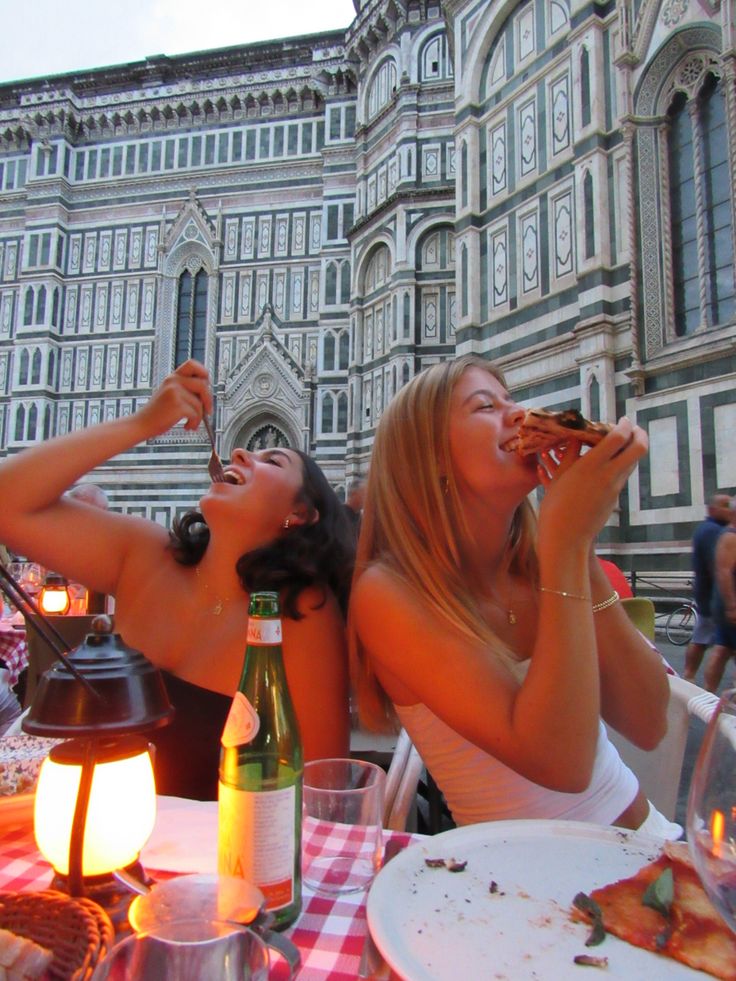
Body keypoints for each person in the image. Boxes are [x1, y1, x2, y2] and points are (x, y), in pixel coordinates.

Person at [349, 355, 676, 836]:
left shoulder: (536, 565)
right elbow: (561, 763)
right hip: (522, 887)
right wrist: (564, 544)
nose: (520, 415)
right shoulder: (388, 593)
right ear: (430, 456)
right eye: (485, 406)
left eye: (512, 400)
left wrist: (577, 550)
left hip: (651, 849)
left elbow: (649, 722)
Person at [0, 360, 354, 798]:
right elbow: (6, 503)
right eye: (245, 450)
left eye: (272, 460)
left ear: (299, 514)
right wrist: (144, 423)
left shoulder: (298, 616)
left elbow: (321, 792)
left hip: (213, 859)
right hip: (91, 837)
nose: (241, 452)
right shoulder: (145, 555)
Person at [683, 493, 732, 683]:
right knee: (717, 646)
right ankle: (693, 679)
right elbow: (720, 567)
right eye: (725, 505)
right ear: (712, 509)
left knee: (710, 642)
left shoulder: (710, 529)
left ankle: (690, 678)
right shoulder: (713, 531)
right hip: (714, 597)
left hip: (710, 597)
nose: (729, 509)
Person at [704, 498, 736, 692]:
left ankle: (709, 693)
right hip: (729, 604)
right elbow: (723, 572)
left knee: (723, 648)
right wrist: (732, 605)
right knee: (722, 648)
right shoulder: (731, 538)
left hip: (724, 604)